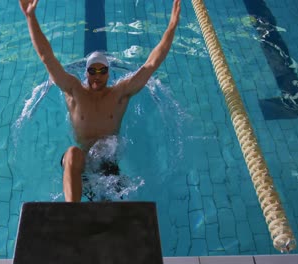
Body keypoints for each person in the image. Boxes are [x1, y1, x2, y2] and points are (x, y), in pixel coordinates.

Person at [19, 0, 181, 202]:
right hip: (81, 166)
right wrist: (30, 18)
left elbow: (151, 64)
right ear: (86, 72)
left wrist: (172, 25)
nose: (97, 75)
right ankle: (72, 213)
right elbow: (46, 57)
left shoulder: (119, 94)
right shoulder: (74, 91)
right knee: (72, 154)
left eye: (102, 70)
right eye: (92, 70)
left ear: (108, 73)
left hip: (108, 168)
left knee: (108, 203)